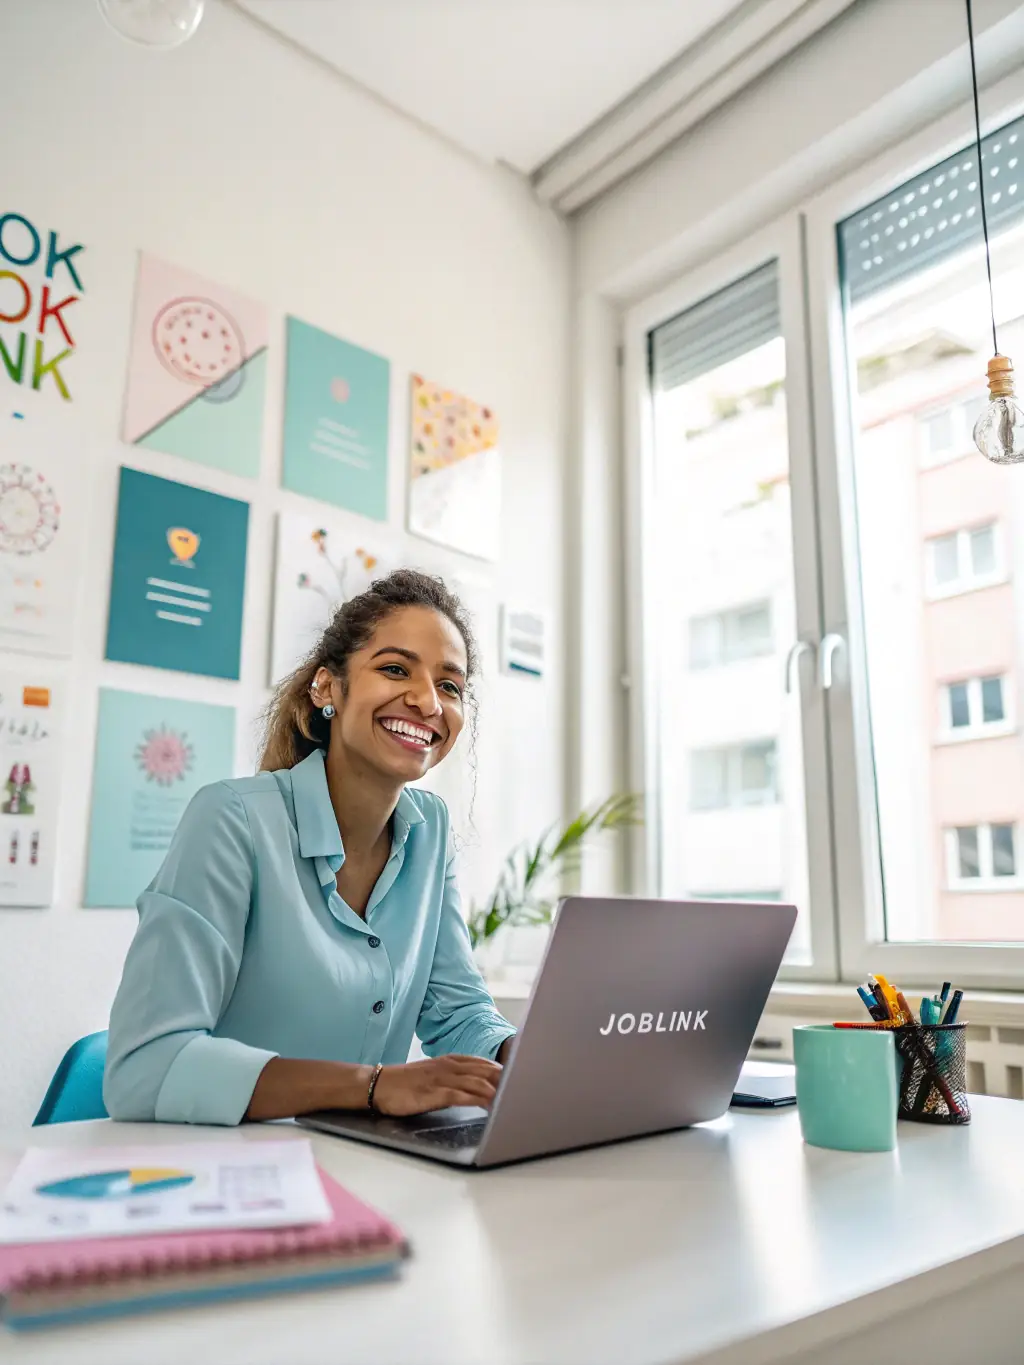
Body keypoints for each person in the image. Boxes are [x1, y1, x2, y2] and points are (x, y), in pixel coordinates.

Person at [104, 570, 516, 1126]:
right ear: (327, 688)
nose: (427, 701)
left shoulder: (431, 831)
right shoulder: (233, 818)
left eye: (450, 685)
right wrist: (371, 1087)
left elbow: (458, 1011)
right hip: (232, 1169)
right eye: (395, 669)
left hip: (363, 1168)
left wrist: (530, 1060)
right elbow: (144, 1068)